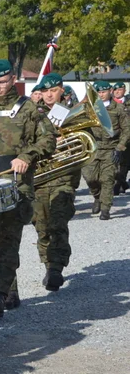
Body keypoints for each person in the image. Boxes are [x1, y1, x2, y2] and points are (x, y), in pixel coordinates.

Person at [0, 60, 57, 316]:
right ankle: (10, 291)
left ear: (12, 80)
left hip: (16, 185)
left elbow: (48, 138)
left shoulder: (28, 107)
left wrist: (27, 155)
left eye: (2, 82)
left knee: (9, 240)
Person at [32, 73, 76, 291]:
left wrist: (65, 141)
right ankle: (48, 263)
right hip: (39, 179)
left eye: (53, 90)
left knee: (58, 223)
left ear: (61, 90)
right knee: (42, 227)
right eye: (45, 91)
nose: (49, 94)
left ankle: (56, 268)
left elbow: (87, 142)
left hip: (62, 177)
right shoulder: (32, 114)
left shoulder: (72, 114)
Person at [82, 80, 129, 220]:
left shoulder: (119, 109)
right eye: (98, 92)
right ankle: (97, 197)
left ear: (110, 91)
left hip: (110, 148)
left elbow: (127, 129)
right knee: (90, 178)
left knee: (107, 179)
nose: (101, 95)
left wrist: (120, 147)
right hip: (93, 147)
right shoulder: (89, 108)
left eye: (103, 91)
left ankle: (105, 208)